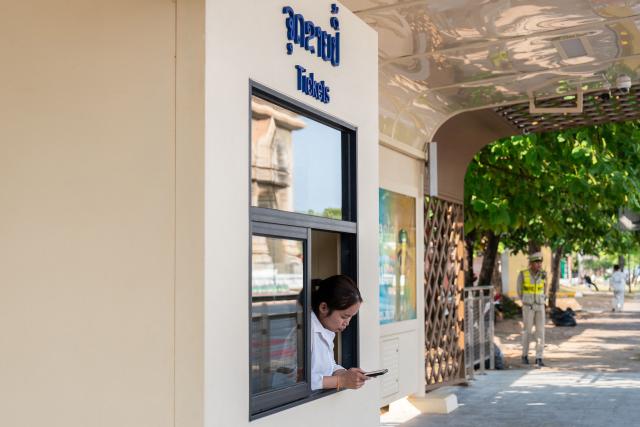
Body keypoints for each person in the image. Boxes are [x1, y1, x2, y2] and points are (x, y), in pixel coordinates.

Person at [311, 274, 370, 391]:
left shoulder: (326, 330)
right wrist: (342, 381)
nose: (347, 323)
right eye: (344, 316)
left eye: (351, 317)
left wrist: (344, 373)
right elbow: (299, 382)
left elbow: (328, 365)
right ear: (323, 308)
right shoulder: (306, 332)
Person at [517, 252, 547, 368]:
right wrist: (526, 301)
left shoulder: (543, 274)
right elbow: (519, 291)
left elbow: (545, 288)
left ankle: (539, 357)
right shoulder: (523, 274)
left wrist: (543, 300)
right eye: (537, 262)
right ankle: (524, 355)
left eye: (540, 262)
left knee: (540, 332)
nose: (539, 265)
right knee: (527, 332)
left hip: (540, 306)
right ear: (531, 263)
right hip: (528, 306)